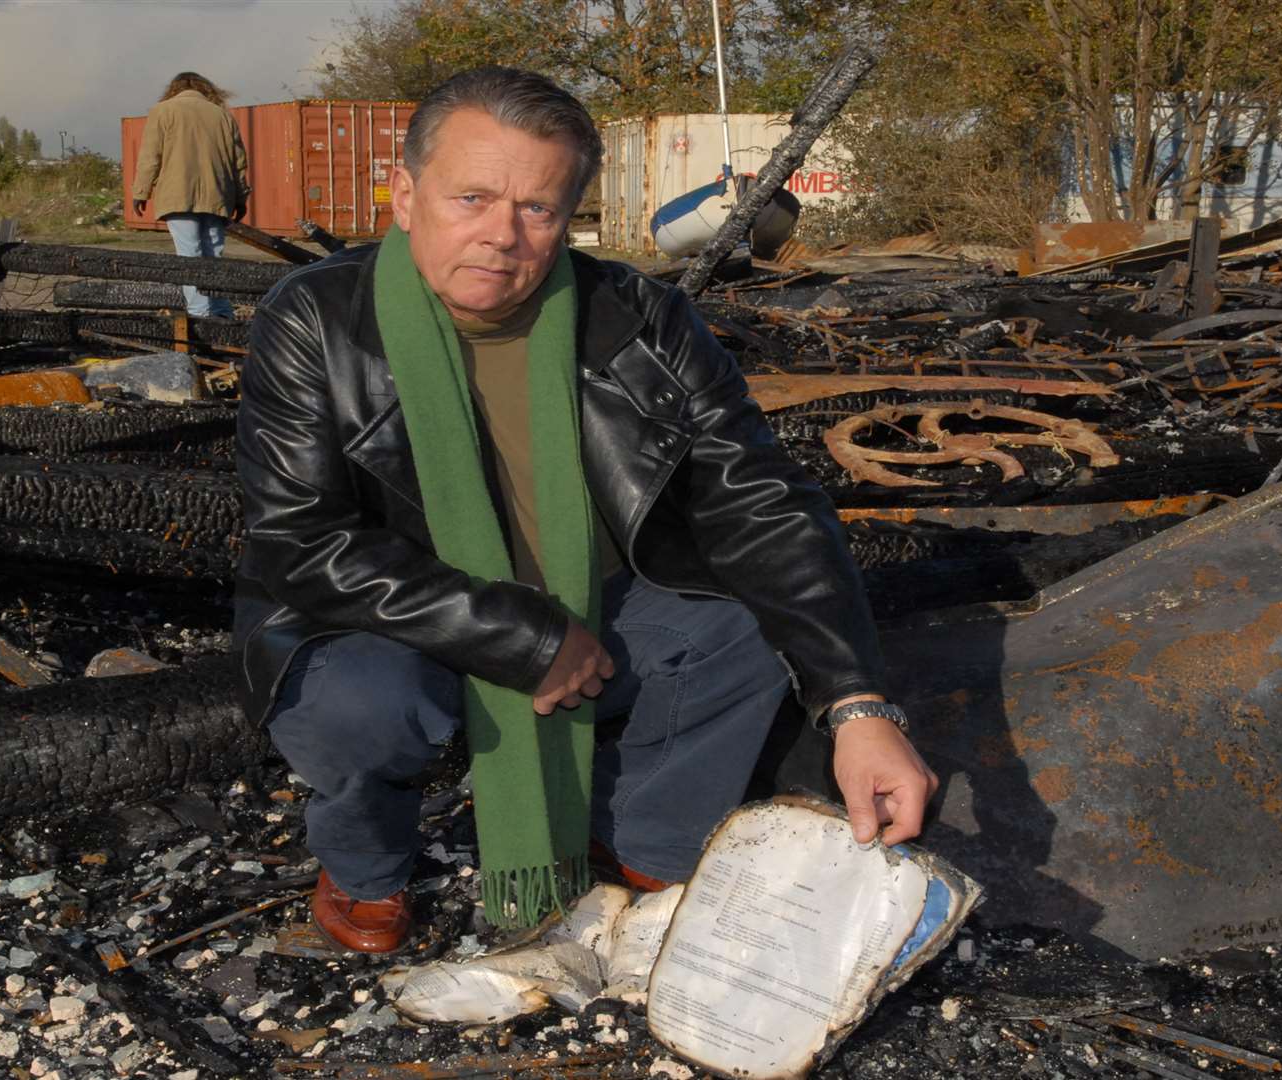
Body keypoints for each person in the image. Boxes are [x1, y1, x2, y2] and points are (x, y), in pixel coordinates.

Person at [234, 67, 937, 955]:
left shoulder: (640, 317)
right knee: (360, 706)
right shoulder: (314, 319)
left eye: (537, 209)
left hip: (596, 596)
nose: (501, 236)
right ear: (406, 196)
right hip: (392, 616)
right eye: (473, 197)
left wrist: (858, 705)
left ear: (572, 217)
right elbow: (303, 543)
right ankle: (367, 865)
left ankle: (635, 841)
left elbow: (761, 501)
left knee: (744, 633)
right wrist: (522, 638)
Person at [131, 72, 248, 319]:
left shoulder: (162, 111)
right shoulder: (222, 116)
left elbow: (150, 157)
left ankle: (199, 315)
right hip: (217, 195)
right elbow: (239, 162)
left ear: (173, 89)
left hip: (177, 195)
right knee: (213, 255)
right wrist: (241, 197)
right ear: (207, 89)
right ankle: (221, 313)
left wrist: (141, 192)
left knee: (189, 256)